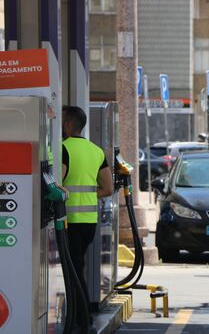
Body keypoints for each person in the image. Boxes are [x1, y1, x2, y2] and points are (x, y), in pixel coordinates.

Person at [62, 105, 113, 313]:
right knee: (77, 267)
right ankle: (80, 316)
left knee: (73, 271)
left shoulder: (63, 148)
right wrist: (89, 196)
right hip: (89, 222)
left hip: (69, 221)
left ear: (67, 124)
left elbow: (57, 183)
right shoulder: (96, 151)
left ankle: (82, 317)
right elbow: (108, 188)